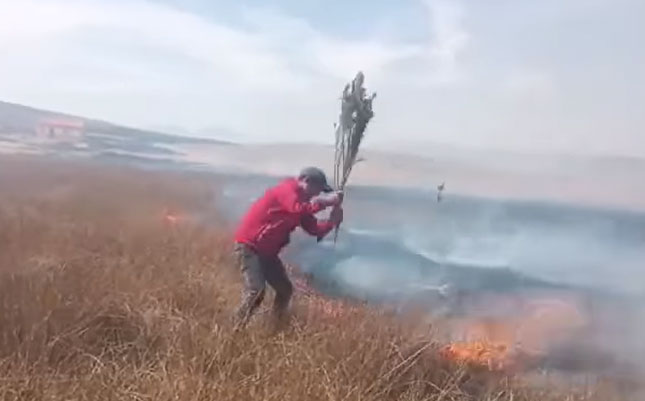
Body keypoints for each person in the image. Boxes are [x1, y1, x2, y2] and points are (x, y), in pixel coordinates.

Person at [232, 167, 344, 328]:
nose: (317, 194)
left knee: (284, 290)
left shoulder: (303, 203)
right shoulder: (287, 190)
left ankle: (275, 325)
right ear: (305, 181)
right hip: (250, 246)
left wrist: (332, 222)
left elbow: (313, 229)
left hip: (267, 253)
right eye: (317, 189)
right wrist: (326, 202)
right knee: (256, 290)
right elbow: (296, 208)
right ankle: (234, 328)